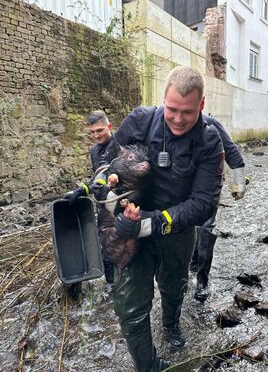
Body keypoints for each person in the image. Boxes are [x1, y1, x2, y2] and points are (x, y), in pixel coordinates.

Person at [100, 66, 228, 372]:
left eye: (187, 111)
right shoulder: (140, 121)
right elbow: (107, 164)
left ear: (201, 105)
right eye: (171, 109)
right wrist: (98, 189)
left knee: (174, 286)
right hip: (128, 228)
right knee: (128, 306)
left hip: (177, 230)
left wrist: (148, 223)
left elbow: (203, 205)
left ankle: (171, 325)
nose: (178, 119)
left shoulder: (210, 142)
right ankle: (148, 366)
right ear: (163, 100)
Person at [190, 115, 246, 302]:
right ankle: (191, 263)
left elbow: (231, 152)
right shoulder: (170, 124)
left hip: (209, 186)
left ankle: (202, 280)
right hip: (183, 185)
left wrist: (239, 182)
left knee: (205, 229)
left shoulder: (211, 125)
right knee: (184, 225)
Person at [85, 110, 116, 284]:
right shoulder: (94, 152)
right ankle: (111, 285)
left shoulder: (119, 144)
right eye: (92, 132)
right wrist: (84, 189)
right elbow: (97, 176)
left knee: (119, 245)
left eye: (100, 130)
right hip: (102, 204)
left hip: (119, 203)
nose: (96, 135)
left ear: (109, 127)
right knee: (104, 245)